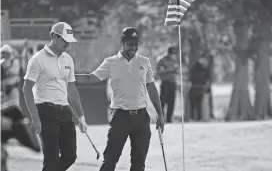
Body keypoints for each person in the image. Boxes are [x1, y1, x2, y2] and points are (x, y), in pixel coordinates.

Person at [77, 27, 165, 171]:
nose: (134, 48)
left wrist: (160, 114)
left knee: (139, 164)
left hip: (141, 118)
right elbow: (90, 78)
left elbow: (151, 88)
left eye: (136, 44)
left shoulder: (144, 62)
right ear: (122, 43)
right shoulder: (111, 62)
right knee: (110, 161)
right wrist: (67, 77)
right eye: (130, 44)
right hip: (120, 118)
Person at [22, 22, 88, 171]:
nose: (67, 44)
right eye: (64, 40)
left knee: (70, 156)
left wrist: (81, 117)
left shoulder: (68, 59)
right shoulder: (37, 59)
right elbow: (27, 89)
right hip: (45, 112)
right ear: (53, 36)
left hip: (65, 112)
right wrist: (35, 118)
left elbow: (72, 89)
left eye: (69, 41)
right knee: (51, 160)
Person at [156, 46, 178, 123]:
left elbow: (176, 71)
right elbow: (160, 72)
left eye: (174, 54)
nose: (173, 55)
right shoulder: (162, 60)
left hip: (173, 83)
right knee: (162, 102)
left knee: (171, 103)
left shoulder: (175, 60)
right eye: (172, 54)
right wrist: (169, 70)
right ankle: (161, 119)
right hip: (165, 84)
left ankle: (169, 120)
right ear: (168, 53)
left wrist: (170, 70)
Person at [188, 54, 211, 121]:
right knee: (197, 105)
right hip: (198, 88)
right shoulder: (203, 69)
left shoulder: (194, 69)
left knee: (195, 105)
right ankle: (197, 118)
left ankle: (193, 118)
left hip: (196, 88)